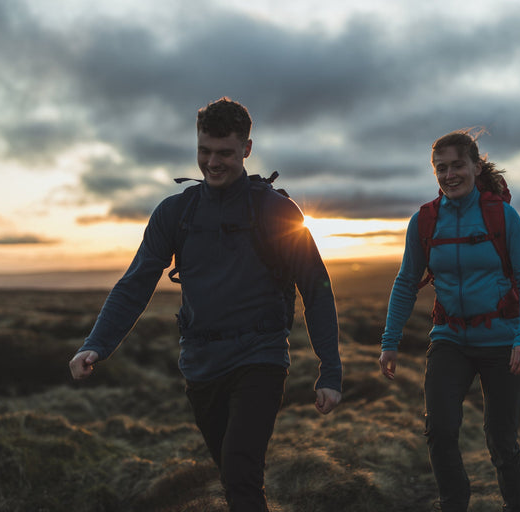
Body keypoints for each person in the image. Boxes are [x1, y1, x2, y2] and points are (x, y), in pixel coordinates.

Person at [69, 97, 342, 511]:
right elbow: (135, 284)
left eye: (225, 153)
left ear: (246, 149)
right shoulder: (175, 213)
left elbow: (316, 290)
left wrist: (331, 371)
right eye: (204, 151)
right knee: (236, 480)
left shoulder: (277, 212)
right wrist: (97, 343)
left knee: (239, 471)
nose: (212, 163)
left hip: (260, 356)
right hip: (200, 364)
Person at [379, 129, 520, 512]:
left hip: (503, 341)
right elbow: (405, 283)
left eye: (457, 166)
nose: (449, 175)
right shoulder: (424, 221)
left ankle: (518, 506)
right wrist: (390, 341)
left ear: (475, 166)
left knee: (501, 439)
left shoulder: (501, 215)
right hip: (450, 338)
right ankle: (454, 505)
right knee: (440, 430)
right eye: (440, 168)